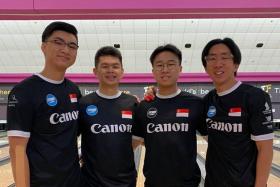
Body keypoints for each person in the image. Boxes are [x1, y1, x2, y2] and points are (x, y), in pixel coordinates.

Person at [7, 21, 81, 187]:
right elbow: (17, 151)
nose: (65, 49)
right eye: (58, 42)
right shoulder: (24, 92)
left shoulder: (73, 89)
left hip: (75, 181)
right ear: (43, 46)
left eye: (72, 45)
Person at [202, 37, 273, 187]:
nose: (218, 63)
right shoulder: (208, 100)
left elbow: (265, 148)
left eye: (225, 57)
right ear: (206, 66)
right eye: (212, 58)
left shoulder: (254, 97)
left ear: (236, 64)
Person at [132, 44, 207, 187]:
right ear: (153, 71)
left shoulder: (195, 103)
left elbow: (216, 142)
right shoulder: (144, 107)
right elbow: (133, 144)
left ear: (180, 69)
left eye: (171, 64)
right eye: (159, 65)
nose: (165, 69)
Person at [78, 46, 138, 187]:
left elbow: (138, 139)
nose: (110, 70)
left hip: (126, 181)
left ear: (122, 72)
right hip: (91, 182)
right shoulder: (83, 104)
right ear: (95, 71)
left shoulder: (132, 103)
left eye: (115, 66)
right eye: (105, 66)